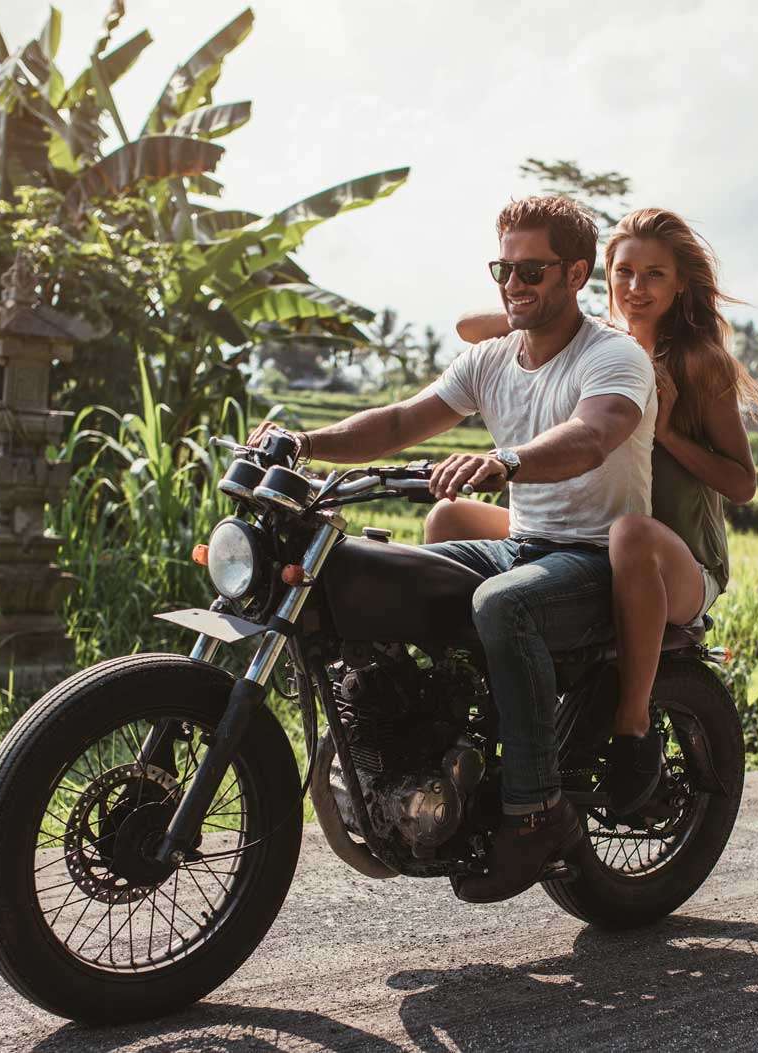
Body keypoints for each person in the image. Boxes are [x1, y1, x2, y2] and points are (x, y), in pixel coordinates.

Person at [251, 195, 655, 904]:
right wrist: (306, 443)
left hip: (591, 559)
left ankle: (537, 814)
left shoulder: (613, 356)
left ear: (576, 274)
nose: (513, 285)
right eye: (504, 268)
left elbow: (594, 433)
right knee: (378, 573)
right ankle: (418, 744)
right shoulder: (492, 358)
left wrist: (509, 461)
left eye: (532, 270)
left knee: (502, 605)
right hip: (524, 544)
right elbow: (404, 420)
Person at [433, 207, 758, 814]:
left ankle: (632, 724)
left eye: (654, 276)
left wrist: (664, 431)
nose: (636, 289)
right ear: (600, 278)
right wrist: (526, 308)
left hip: (675, 558)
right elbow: (465, 326)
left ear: (680, 285)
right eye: (625, 273)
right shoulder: (594, 345)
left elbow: (742, 483)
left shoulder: (699, 364)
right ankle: (469, 700)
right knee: (449, 518)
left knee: (630, 534)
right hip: (582, 533)